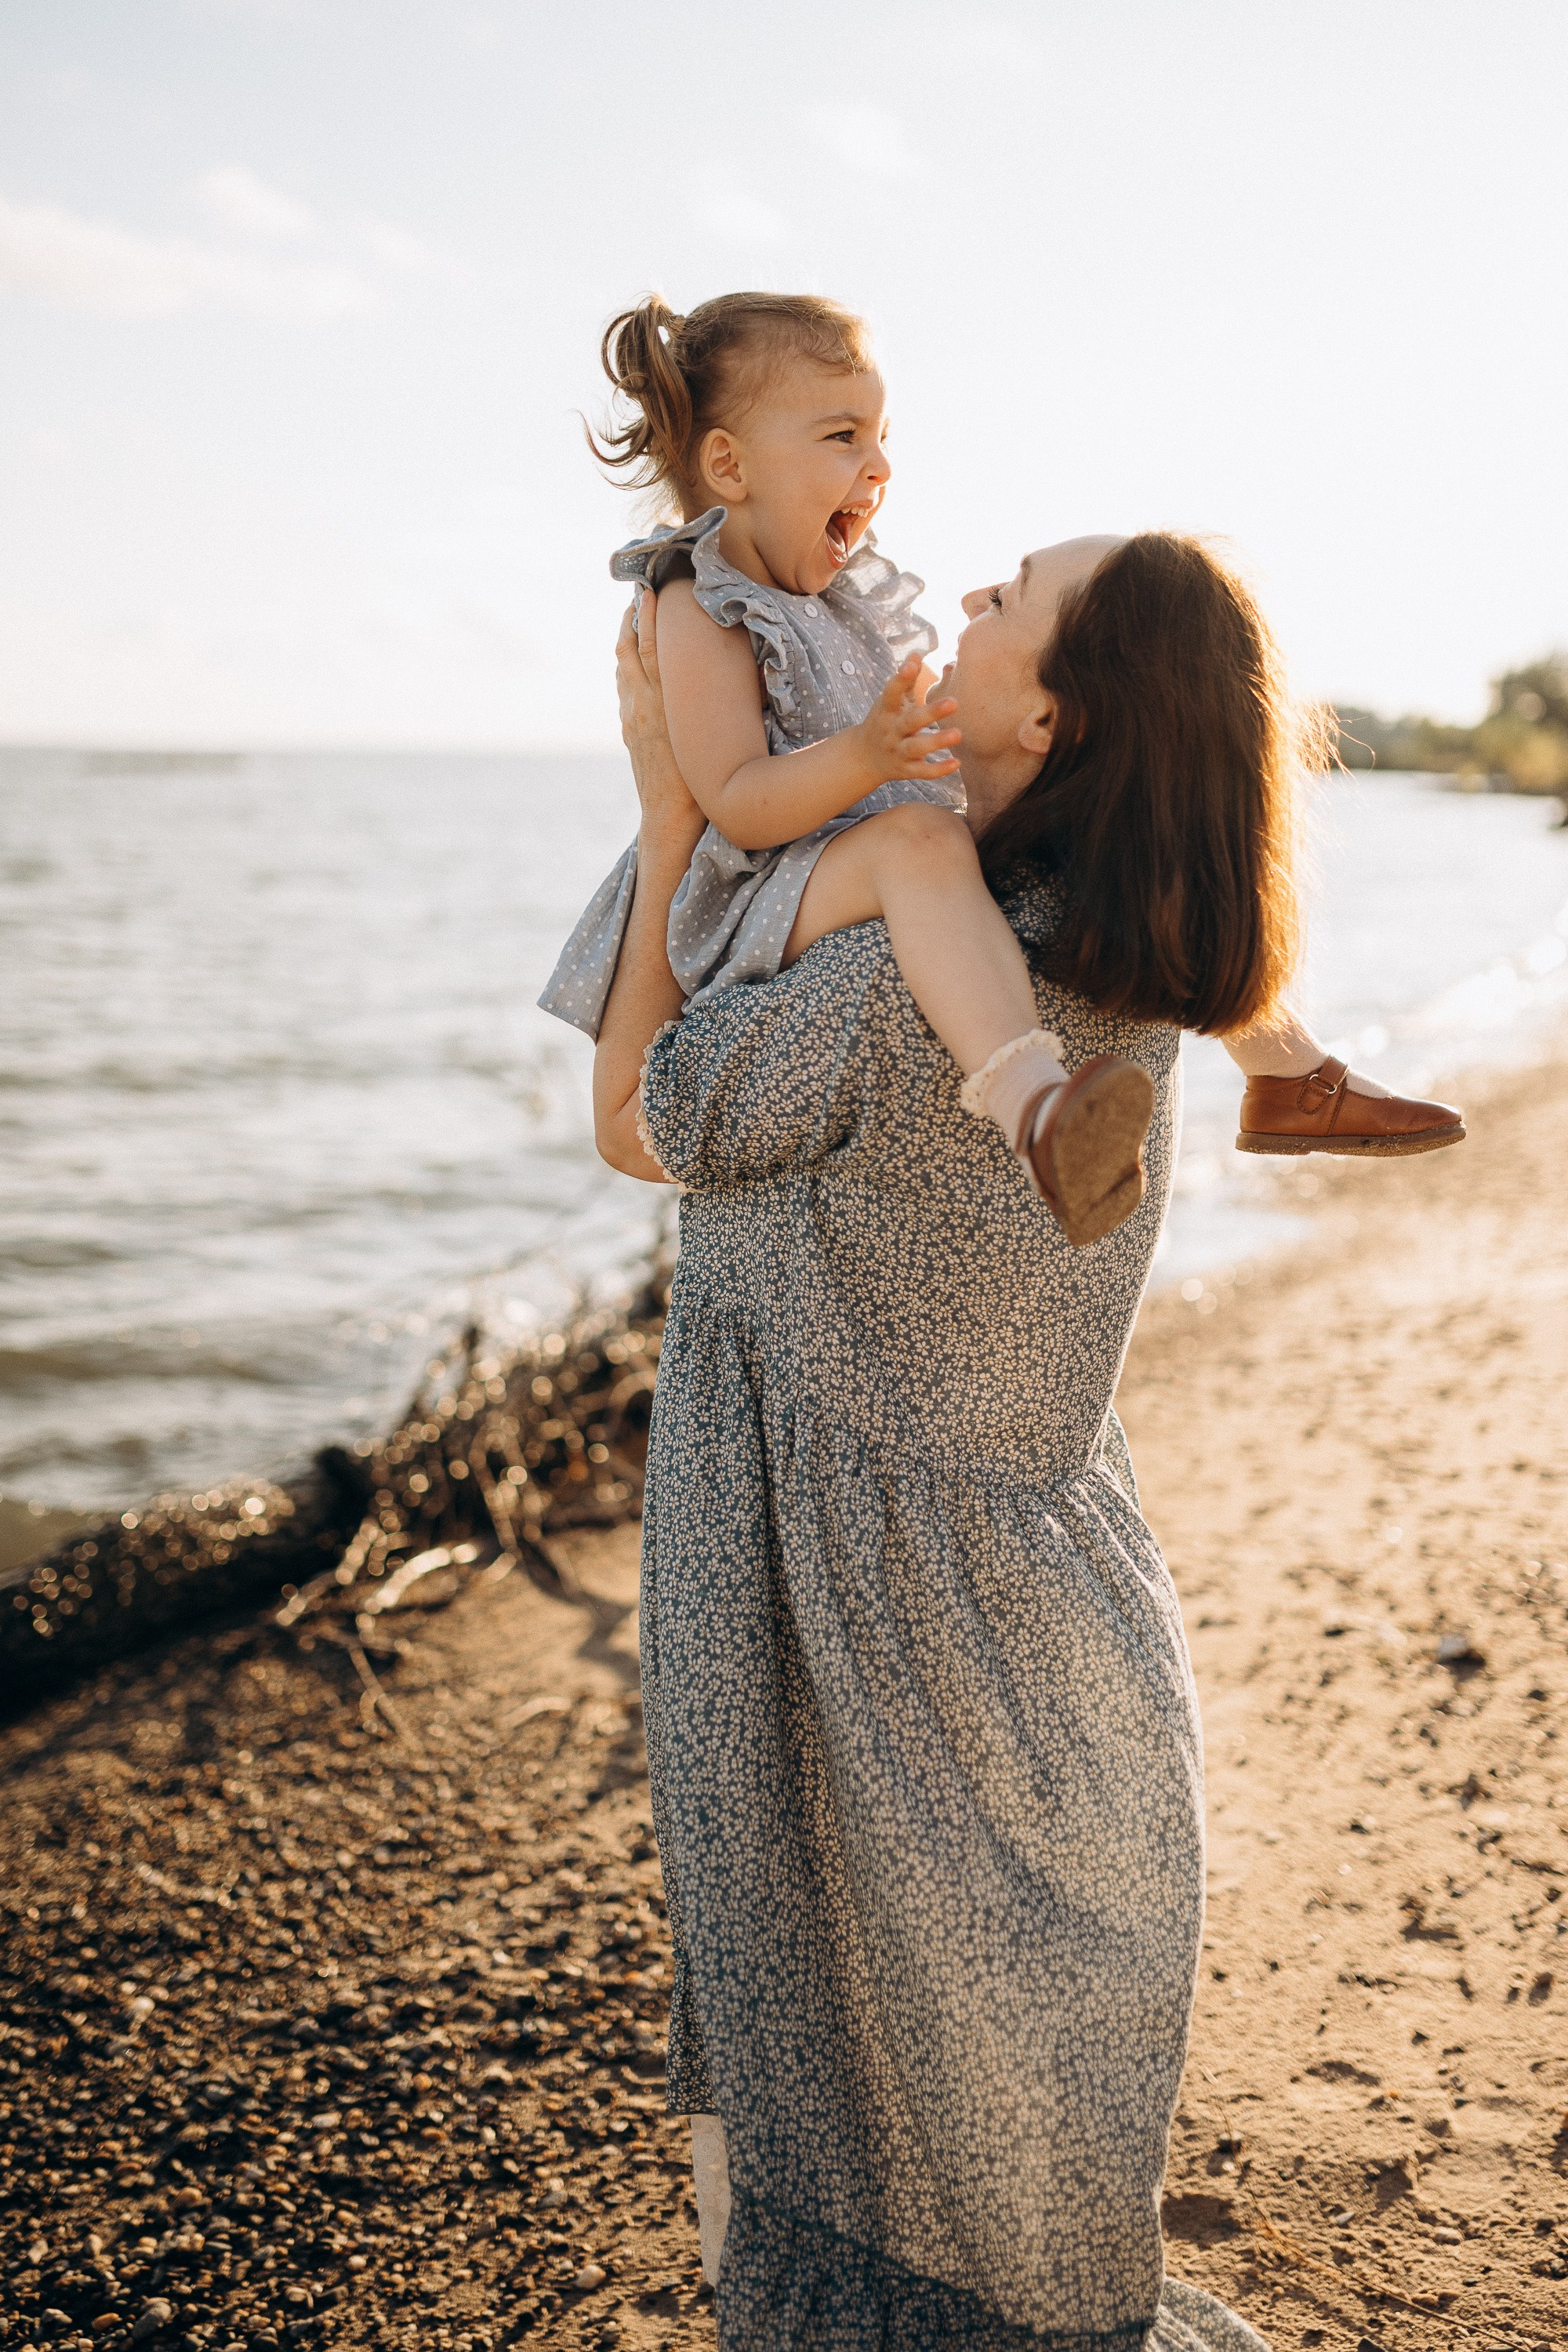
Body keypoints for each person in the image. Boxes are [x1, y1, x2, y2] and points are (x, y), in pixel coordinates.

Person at [582, 528, 1377, 2350]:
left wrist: (663, 804)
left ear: (1053, 708)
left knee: (852, 2164)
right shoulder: (1126, 991)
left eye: (1005, 598)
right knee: (1019, 2206)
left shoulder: (886, 999)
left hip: (864, 1654)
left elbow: (634, 1109)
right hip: (1065, 1653)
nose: (951, 611)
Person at [544, 290, 1463, 1256]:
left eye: (882, 433)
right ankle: (1052, 1107)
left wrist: (891, 751)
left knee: (980, 840)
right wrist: (869, 756)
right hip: (755, 888)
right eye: (841, 435)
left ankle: (1274, 1069)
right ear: (728, 463)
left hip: (852, 854)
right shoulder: (698, 601)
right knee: (925, 839)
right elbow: (733, 802)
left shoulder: (824, 592)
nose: (880, 464)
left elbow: (629, 1121)